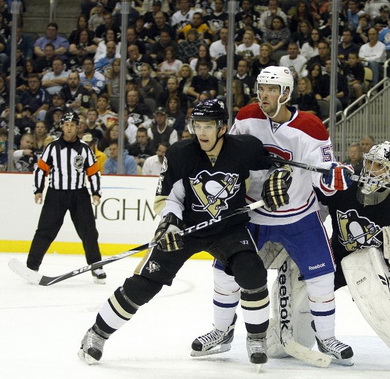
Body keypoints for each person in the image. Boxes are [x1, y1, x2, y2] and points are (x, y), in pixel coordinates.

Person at [78, 98, 291, 366]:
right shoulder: (180, 153)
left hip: (228, 228)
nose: (201, 132)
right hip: (185, 229)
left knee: (252, 272)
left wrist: (280, 178)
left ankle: (256, 337)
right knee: (143, 285)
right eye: (197, 125)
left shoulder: (244, 149)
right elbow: (168, 197)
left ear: (222, 127)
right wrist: (170, 222)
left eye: (208, 126)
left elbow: (276, 167)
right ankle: (96, 333)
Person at [193, 66, 355, 364]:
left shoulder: (311, 128)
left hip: (299, 217)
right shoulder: (247, 116)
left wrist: (333, 180)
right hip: (253, 215)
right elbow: (230, 155)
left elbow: (324, 179)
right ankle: (222, 331)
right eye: (261, 88)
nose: (263, 95)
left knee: (322, 277)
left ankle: (327, 337)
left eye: (271, 89)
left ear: (287, 94)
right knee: (224, 272)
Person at [279, 141, 390, 371]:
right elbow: (314, 208)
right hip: (338, 254)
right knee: (301, 277)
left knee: (362, 269)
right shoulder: (345, 184)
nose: (370, 168)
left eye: (379, 165)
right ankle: (288, 335)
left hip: (378, 266)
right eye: (369, 162)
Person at [25, 111, 106, 283]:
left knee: (89, 232)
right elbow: (41, 169)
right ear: (62, 126)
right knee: (45, 231)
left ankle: (96, 266)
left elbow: (93, 172)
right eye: (66, 125)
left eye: (73, 125)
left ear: (78, 127)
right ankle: (31, 267)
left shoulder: (84, 149)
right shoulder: (52, 148)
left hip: (79, 195)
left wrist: (96, 192)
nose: (69, 128)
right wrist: (38, 190)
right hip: (56, 194)